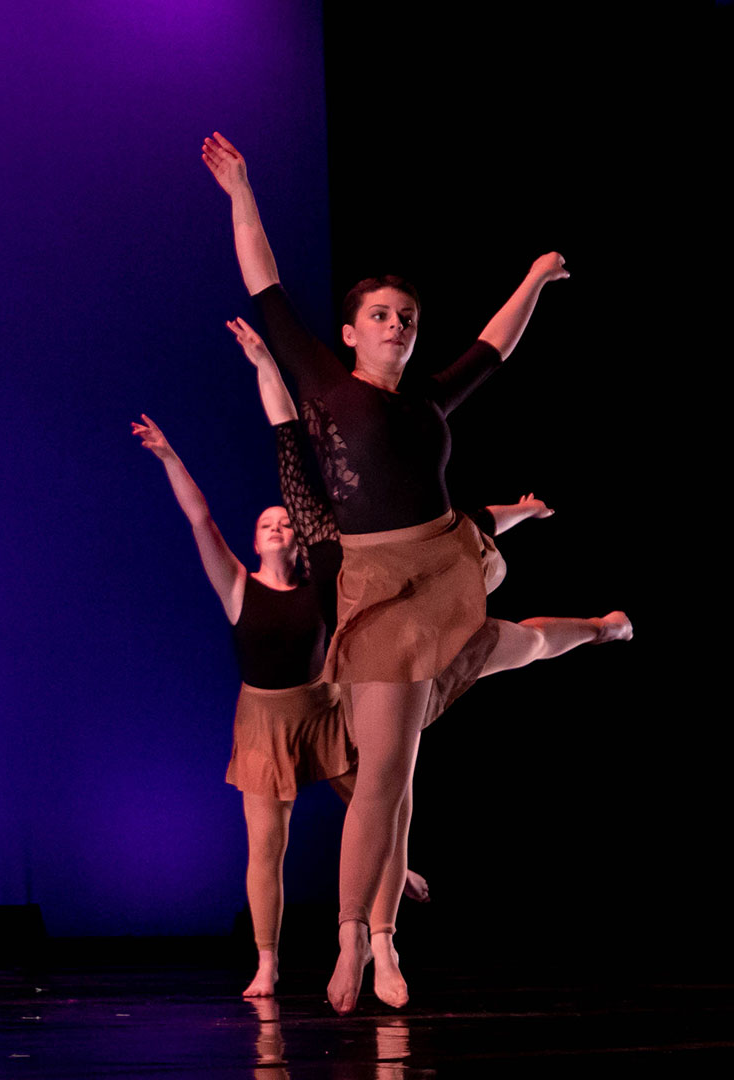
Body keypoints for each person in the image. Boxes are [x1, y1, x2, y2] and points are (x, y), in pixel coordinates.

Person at [202, 132, 631, 1013]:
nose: (397, 324)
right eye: (382, 314)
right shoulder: (324, 381)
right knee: (390, 767)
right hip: (376, 586)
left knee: (501, 651)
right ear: (354, 331)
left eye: (407, 315)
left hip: (444, 557)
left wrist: (538, 276)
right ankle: (355, 936)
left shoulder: (429, 397)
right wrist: (242, 190)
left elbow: (494, 346)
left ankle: (596, 629)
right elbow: (265, 283)